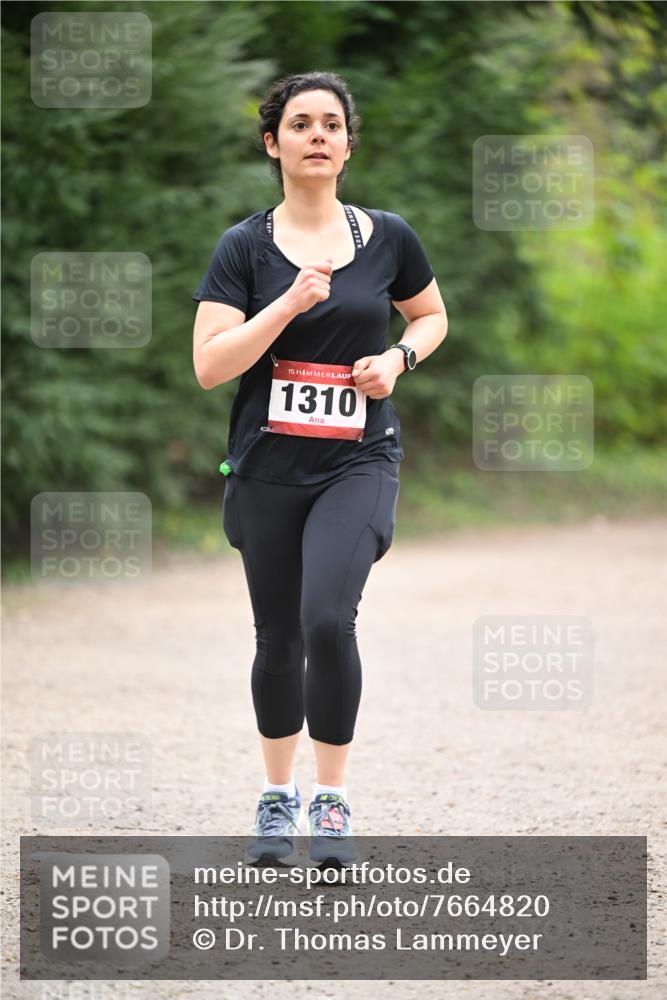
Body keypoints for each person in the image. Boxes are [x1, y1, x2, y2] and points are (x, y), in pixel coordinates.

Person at [192, 71, 447, 866]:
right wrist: (287, 306)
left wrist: (398, 358)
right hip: (268, 467)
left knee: (325, 621)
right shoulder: (242, 247)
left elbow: (431, 315)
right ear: (273, 144)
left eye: (330, 124)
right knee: (276, 637)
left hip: (358, 461)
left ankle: (329, 802)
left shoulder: (389, 238)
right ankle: (277, 798)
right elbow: (208, 365)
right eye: (299, 124)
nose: (316, 136)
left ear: (346, 143)